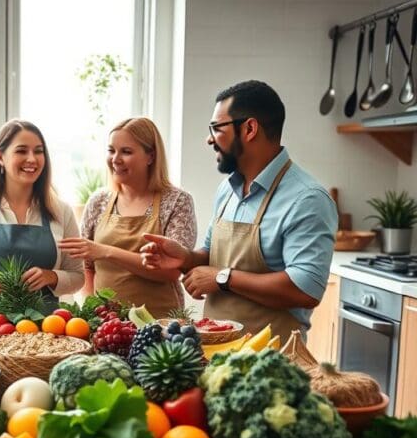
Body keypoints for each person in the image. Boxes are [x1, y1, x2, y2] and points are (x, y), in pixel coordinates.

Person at [141, 80, 337, 342]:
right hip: (216, 355)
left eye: (216, 128)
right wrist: (185, 258)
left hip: (271, 364)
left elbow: (305, 289)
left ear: (249, 129)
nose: (209, 138)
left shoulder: (307, 198)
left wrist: (223, 278)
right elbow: (212, 255)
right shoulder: (227, 188)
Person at [59, 117, 196, 316]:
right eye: (111, 150)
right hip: (107, 325)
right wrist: (92, 309)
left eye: (126, 151)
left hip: (161, 324)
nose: (115, 159)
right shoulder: (98, 201)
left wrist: (107, 251)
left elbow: (171, 271)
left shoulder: (177, 201)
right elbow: (87, 265)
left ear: (150, 156)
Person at [0, 119, 84, 313]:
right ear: (0, 157)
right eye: (21, 151)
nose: (32, 159)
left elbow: (78, 276)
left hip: (45, 332)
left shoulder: (61, 211)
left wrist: (51, 276)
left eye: (38, 151)